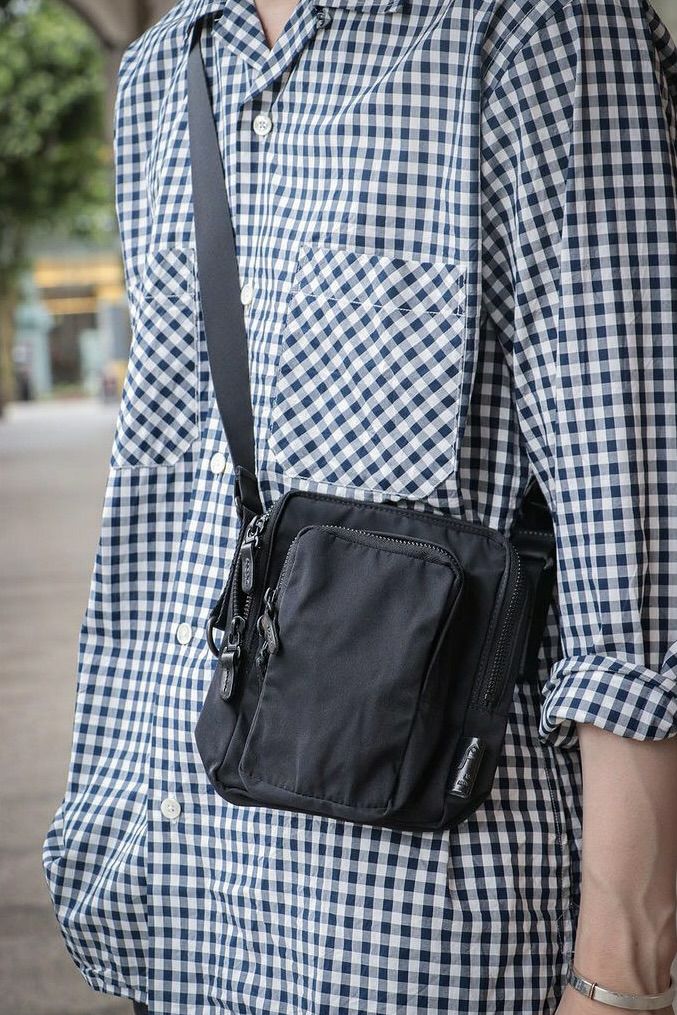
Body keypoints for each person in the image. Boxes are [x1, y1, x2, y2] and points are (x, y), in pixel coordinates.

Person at [43, 1, 677, 1013]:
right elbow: (168, 501)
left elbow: (642, 545)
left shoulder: (538, 34)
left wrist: (618, 979)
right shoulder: (167, 69)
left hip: (404, 935)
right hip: (176, 902)